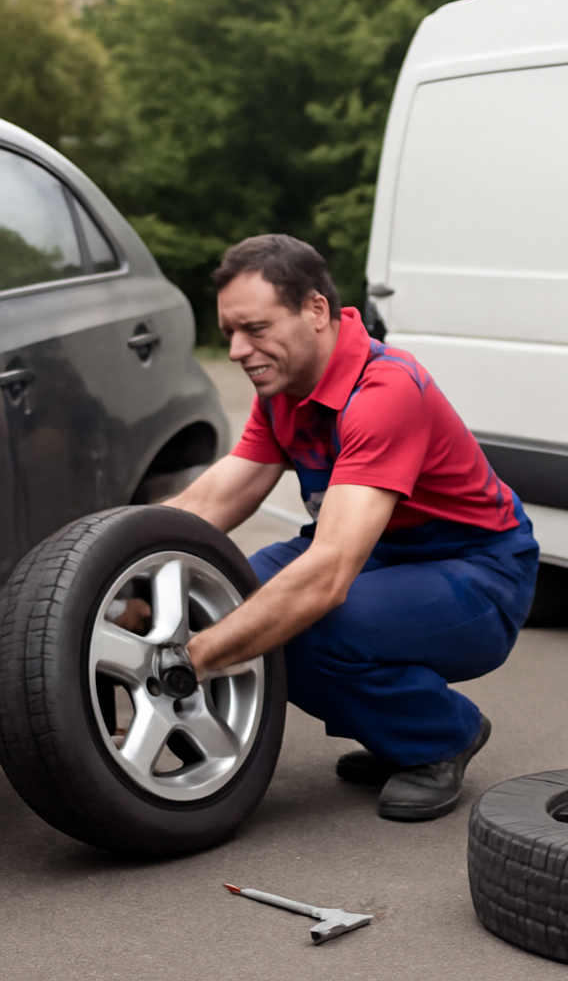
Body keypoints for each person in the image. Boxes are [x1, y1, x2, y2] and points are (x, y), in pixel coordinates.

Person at [154, 234, 539, 820]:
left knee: (301, 622)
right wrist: (118, 565)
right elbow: (217, 497)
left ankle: (440, 737)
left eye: (254, 329)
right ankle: (394, 728)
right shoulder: (285, 386)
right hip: (377, 555)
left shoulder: (383, 391)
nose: (236, 350)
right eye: (230, 331)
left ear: (315, 310)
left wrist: (197, 657)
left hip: (478, 572)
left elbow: (328, 573)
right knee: (229, 597)